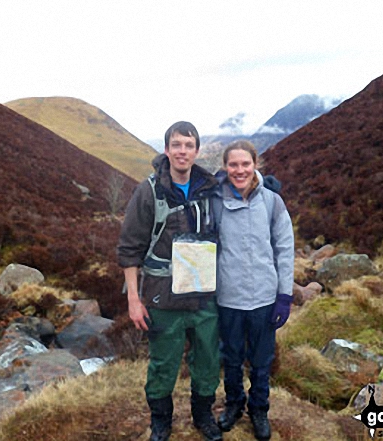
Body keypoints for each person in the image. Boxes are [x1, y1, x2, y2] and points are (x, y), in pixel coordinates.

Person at [117, 121, 223, 441]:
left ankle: (203, 416)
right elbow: (129, 249)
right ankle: (161, 421)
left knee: (207, 360)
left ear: (196, 151)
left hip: (205, 293)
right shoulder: (149, 191)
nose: (182, 151)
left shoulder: (211, 190)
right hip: (163, 296)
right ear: (166, 150)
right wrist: (134, 300)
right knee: (163, 363)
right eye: (176, 145)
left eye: (188, 145)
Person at [212, 140, 294, 440]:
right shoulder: (215, 201)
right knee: (232, 358)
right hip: (228, 297)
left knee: (261, 360)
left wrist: (284, 296)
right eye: (233, 165)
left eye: (245, 164)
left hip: (264, 297)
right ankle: (234, 404)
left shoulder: (272, 202)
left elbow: (284, 249)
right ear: (225, 167)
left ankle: (259, 409)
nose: (239, 170)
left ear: (255, 164)